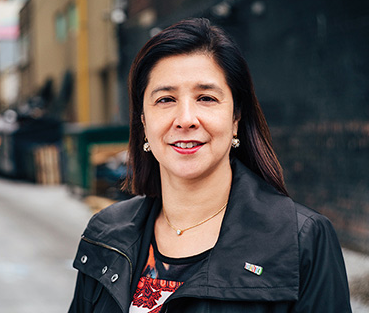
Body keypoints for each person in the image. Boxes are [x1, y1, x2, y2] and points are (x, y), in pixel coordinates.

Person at [69, 18, 351, 312]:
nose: (186, 119)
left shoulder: (302, 240)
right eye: (165, 99)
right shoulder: (106, 233)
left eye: (206, 97)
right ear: (143, 123)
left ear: (236, 118)